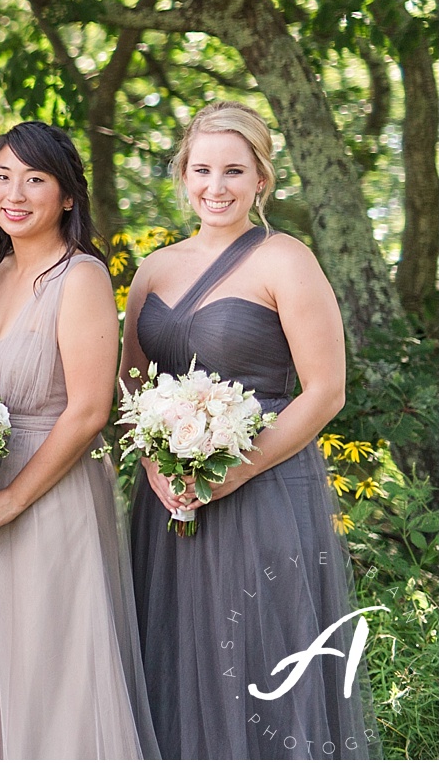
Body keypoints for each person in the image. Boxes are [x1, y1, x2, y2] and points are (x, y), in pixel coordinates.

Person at [121, 101, 370, 759]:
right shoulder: (153, 269)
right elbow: (132, 383)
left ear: (261, 178)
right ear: (181, 174)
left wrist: (232, 470)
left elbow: (325, 390)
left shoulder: (284, 259)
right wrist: (156, 470)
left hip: (262, 488)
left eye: (234, 170)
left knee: (255, 659)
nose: (215, 186)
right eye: (201, 169)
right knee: (175, 656)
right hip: (167, 494)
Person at [0, 121, 156, 758]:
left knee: (57, 674)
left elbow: (90, 411)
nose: (15, 192)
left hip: (50, 495)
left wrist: (12, 501)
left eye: (35, 179)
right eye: (3, 176)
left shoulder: (81, 276)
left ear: (66, 197)